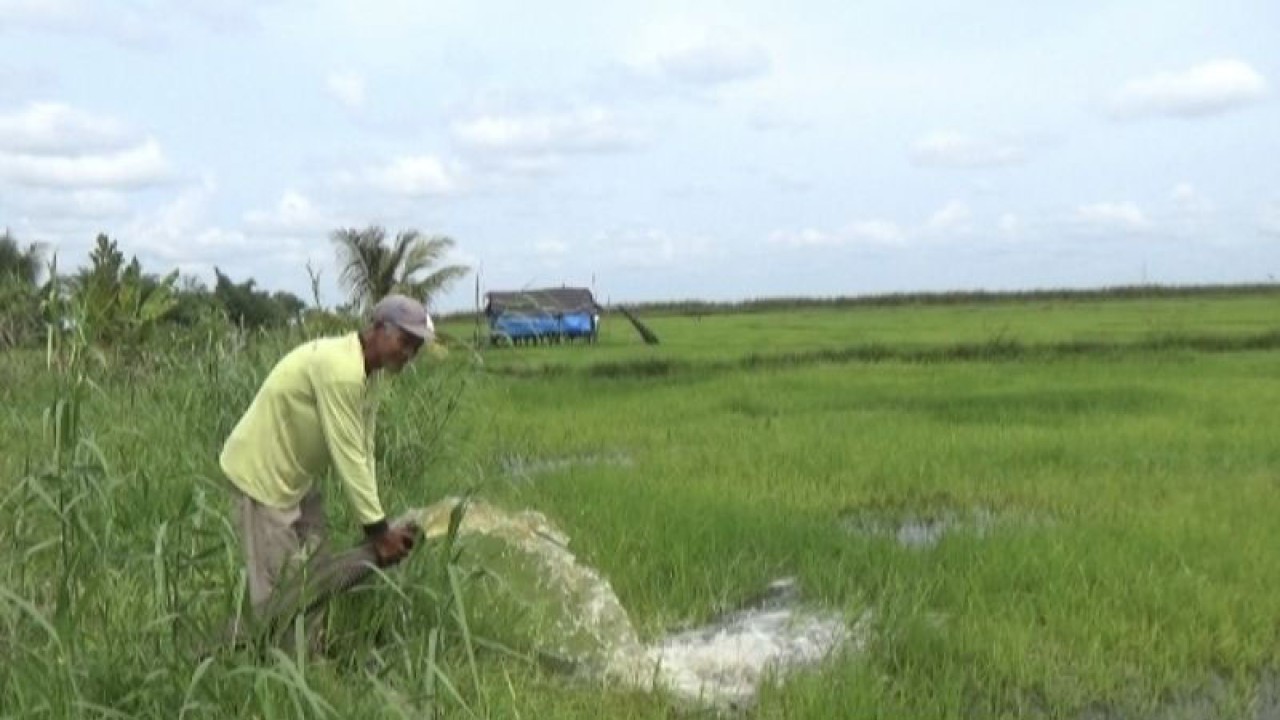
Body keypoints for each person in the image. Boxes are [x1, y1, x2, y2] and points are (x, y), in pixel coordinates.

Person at [217, 293, 431, 645]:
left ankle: (307, 653)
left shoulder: (369, 373)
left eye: (416, 347)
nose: (408, 354)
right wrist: (378, 532)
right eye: (404, 341)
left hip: (295, 480)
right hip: (262, 479)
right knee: (279, 589)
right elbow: (346, 452)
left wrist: (380, 524)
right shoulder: (342, 371)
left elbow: (364, 448)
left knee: (316, 571)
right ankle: (275, 669)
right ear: (378, 329)